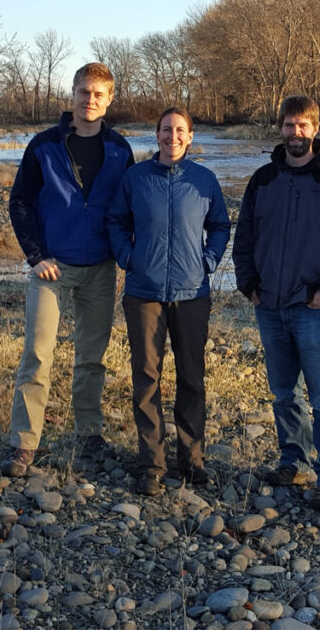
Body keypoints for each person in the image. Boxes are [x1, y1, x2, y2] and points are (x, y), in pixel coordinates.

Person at [233, 95, 320, 512]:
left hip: (313, 307)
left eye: (303, 126)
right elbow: (246, 238)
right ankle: (293, 460)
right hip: (269, 304)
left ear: (315, 128)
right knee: (282, 393)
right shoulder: (263, 180)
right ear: (281, 128)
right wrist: (247, 283)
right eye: (289, 125)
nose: (296, 133)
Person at [3, 62, 134, 477]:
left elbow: (128, 209)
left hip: (100, 268)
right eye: (83, 92)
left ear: (110, 99)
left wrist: (125, 255)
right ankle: (24, 444)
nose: (89, 100)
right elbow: (20, 201)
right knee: (37, 355)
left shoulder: (119, 149)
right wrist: (35, 254)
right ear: (72, 94)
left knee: (91, 357)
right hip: (52, 269)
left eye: (98, 94)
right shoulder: (44, 145)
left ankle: (89, 434)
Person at [107, 108, 231, 496]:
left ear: (190, 137)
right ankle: (152, 463)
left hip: (192, 293)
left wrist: (208, 260)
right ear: (155, 134)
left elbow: (221, 226)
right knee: (146, 378)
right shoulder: (136, 178)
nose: (172, 136)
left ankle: (192, 459)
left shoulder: (204, 180)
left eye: (180, 130)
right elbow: (116, 221)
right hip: (144, 292)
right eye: (165, 130)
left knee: (192, 378)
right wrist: (127, 258)